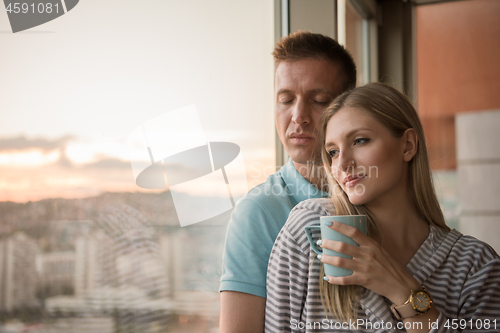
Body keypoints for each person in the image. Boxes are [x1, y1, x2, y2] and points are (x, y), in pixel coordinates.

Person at [265, 82, 500, 332]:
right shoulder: (311, 231)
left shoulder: (476, 265)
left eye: (359, 141)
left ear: (408, 145)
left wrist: (404, 293)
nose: (342, 163)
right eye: (332, 152)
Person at [219, 31, 357, 332]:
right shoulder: (258, 212)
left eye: (319, 100)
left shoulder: (373, 194)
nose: (298, 116)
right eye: (285, 100)